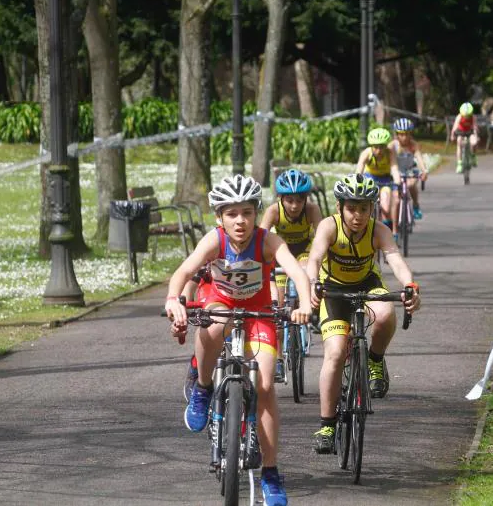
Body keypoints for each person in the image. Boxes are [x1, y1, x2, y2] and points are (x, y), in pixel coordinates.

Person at [165, 174, 312, 506]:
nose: (240, 220)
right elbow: (184, 271)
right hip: (223, 304)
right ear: (220, 217)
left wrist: (303, 304)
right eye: (231, 213)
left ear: (256, 213)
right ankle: (203, 388)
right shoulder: (214, 240)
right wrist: (174, 299)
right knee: (214, 324)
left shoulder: (267, 241)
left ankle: (271, 475)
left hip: (260, 312)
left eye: (246, 212)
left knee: (264, 385)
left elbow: (296, 271)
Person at [305, 173, 421, 454]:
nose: (358, 215)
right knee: (334, 354)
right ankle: (327, 424)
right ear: (340, 207)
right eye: (352, 208)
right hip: (333, 291)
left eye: (364, 208)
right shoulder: (329, 227)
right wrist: (311, 284)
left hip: (367, 285)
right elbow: (315, 257)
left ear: (372, 209)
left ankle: (375, 360)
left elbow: (396, 260)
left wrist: (410, 286)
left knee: (384, 313)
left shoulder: (378, 230)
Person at [260, 168, 323, 380]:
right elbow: (260, 239)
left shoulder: (311, 210)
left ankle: (313, 311)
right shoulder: (273, 211)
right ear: (281, 199)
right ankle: (278, 359)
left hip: (304, 251)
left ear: (306, 198)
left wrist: (318, 263)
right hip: (281, 254)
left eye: (299, 200)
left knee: (307, 271)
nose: (294, 206)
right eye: (289, 200)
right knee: (276, 307)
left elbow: (322, 239)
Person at [355, 127, 402, 239]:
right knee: (364, 204)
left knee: (385, 208)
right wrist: (358, 181)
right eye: (375, 147)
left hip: (385, 180)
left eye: (381, 147)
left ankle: (387, 231)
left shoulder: (390, 153)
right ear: (371, 146)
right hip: (370, 179)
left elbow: (394, 169)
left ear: (386, 146)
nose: (379, 151)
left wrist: (397, 183)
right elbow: (359, 169)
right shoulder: (366, 153)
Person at [390, 117, 428, 220]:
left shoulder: (413, 145)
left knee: (411, 185)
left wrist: (424, 171)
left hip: (410, 169)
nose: (404, 137)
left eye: (407, 134)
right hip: (397, 170)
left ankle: (415, 205)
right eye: (401, 134)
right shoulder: (393, 145)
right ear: (397, 134)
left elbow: (419, 158)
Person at [450, 102, 480, 174]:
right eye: (465, 115)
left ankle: (473, 156)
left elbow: (475, 127)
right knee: (459, 142)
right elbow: (455, 127)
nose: (466, 117)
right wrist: (452, 135)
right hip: (461, 132)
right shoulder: (459, 117)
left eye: (468, 115)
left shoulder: (473, 117)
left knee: (474, 142)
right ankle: (459, 163)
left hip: (470, 131)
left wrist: (476, 135)